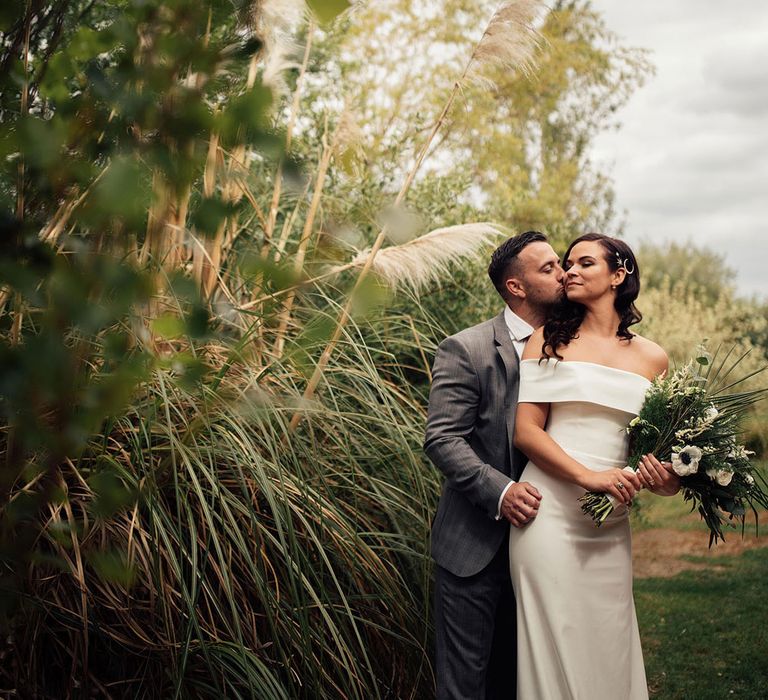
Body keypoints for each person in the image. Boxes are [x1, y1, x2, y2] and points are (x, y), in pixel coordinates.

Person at [510, 233, 680, 700]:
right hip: (548, 514)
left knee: (609, 642)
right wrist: (588, 477)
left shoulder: (653, 358)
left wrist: (662, 480)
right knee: (553, 644)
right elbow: (526, 432)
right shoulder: (548, 340)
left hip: (610, 523)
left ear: (618, 275)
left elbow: (656, 456)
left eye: (585, 262)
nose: (570, 271)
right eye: (567, 264)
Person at [424, 231, 565, 700]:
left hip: (548, 546)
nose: (563, 273)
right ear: (516, 287)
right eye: (548, 268)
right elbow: (443, 438)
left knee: (523, 680)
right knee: (465, 686)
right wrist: (502, 492)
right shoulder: (467, 349)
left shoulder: (573, 351)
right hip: (474, 548)